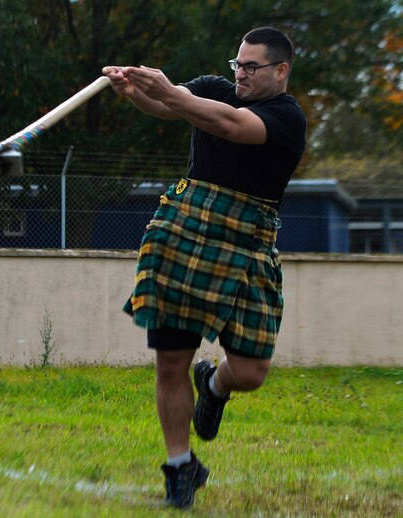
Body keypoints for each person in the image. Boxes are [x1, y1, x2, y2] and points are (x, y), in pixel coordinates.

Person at [103, 26, 306, 510]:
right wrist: (137, 93)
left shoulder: (285, 117)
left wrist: (170, 90)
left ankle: (213, 385)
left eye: (252, 67)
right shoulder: (216, 87)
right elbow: (169, 106)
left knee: (253, 371)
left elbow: (232, 126)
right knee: (170, 358)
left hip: (250, 241)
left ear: (281, 70)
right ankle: (180, 467)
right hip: (185, 229)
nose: (240, 74)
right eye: (238, 63)